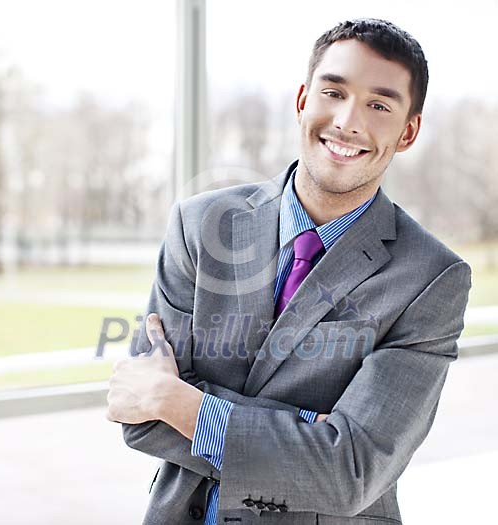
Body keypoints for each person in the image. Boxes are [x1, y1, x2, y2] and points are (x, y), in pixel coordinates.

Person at [107, 18, 471, 525]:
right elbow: (139, 413)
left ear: (407, 130)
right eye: (334, 91)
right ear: (303, 100)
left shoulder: (430, 279)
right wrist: (307, 430)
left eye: (379, 105)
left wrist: (183, 404)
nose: (348, 121)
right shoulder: (200, 224)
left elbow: (349, 474)